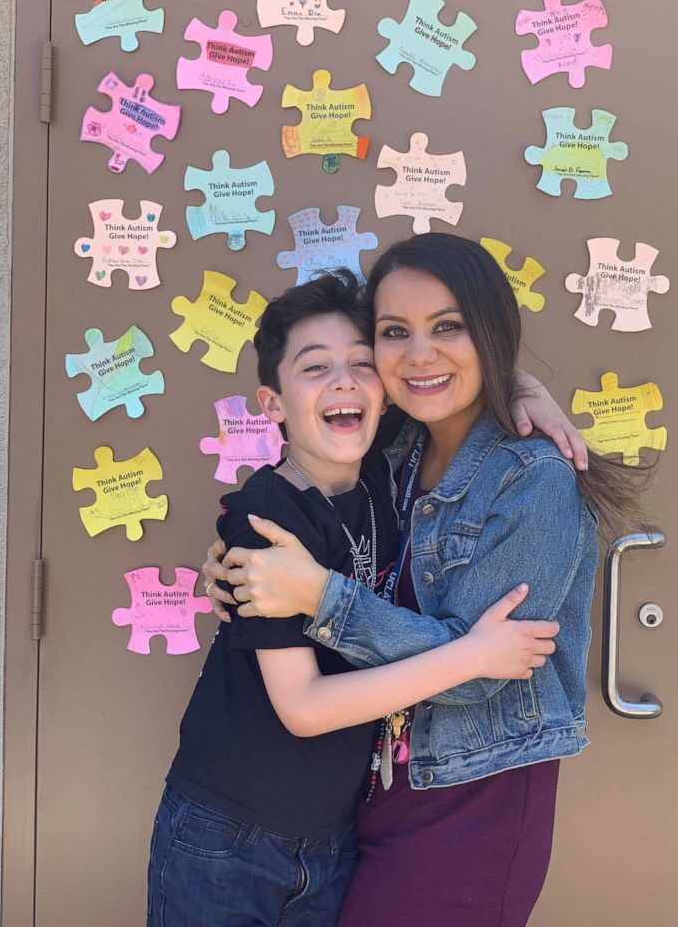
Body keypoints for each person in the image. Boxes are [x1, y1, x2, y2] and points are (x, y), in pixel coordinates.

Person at [206, 234, 645, 927]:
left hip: (474, 804)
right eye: (393, 333)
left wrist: (320, 597)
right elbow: (306, 494)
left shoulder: (535, 482)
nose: (418, 355)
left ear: (491, 331)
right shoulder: (394, 446)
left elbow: (479, 670)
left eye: (449, 328)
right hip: (370, 793)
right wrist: (237, 561)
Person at [147, 272, 561, 927]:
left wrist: (527, 391)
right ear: (273, 402)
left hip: (334, 838)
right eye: (315, 369)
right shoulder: (264, 518)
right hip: (227, 835)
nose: (343, 382)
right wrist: (475, 654)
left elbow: (451, 381)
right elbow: (305, 708)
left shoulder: (380, 465)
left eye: (362, 365)